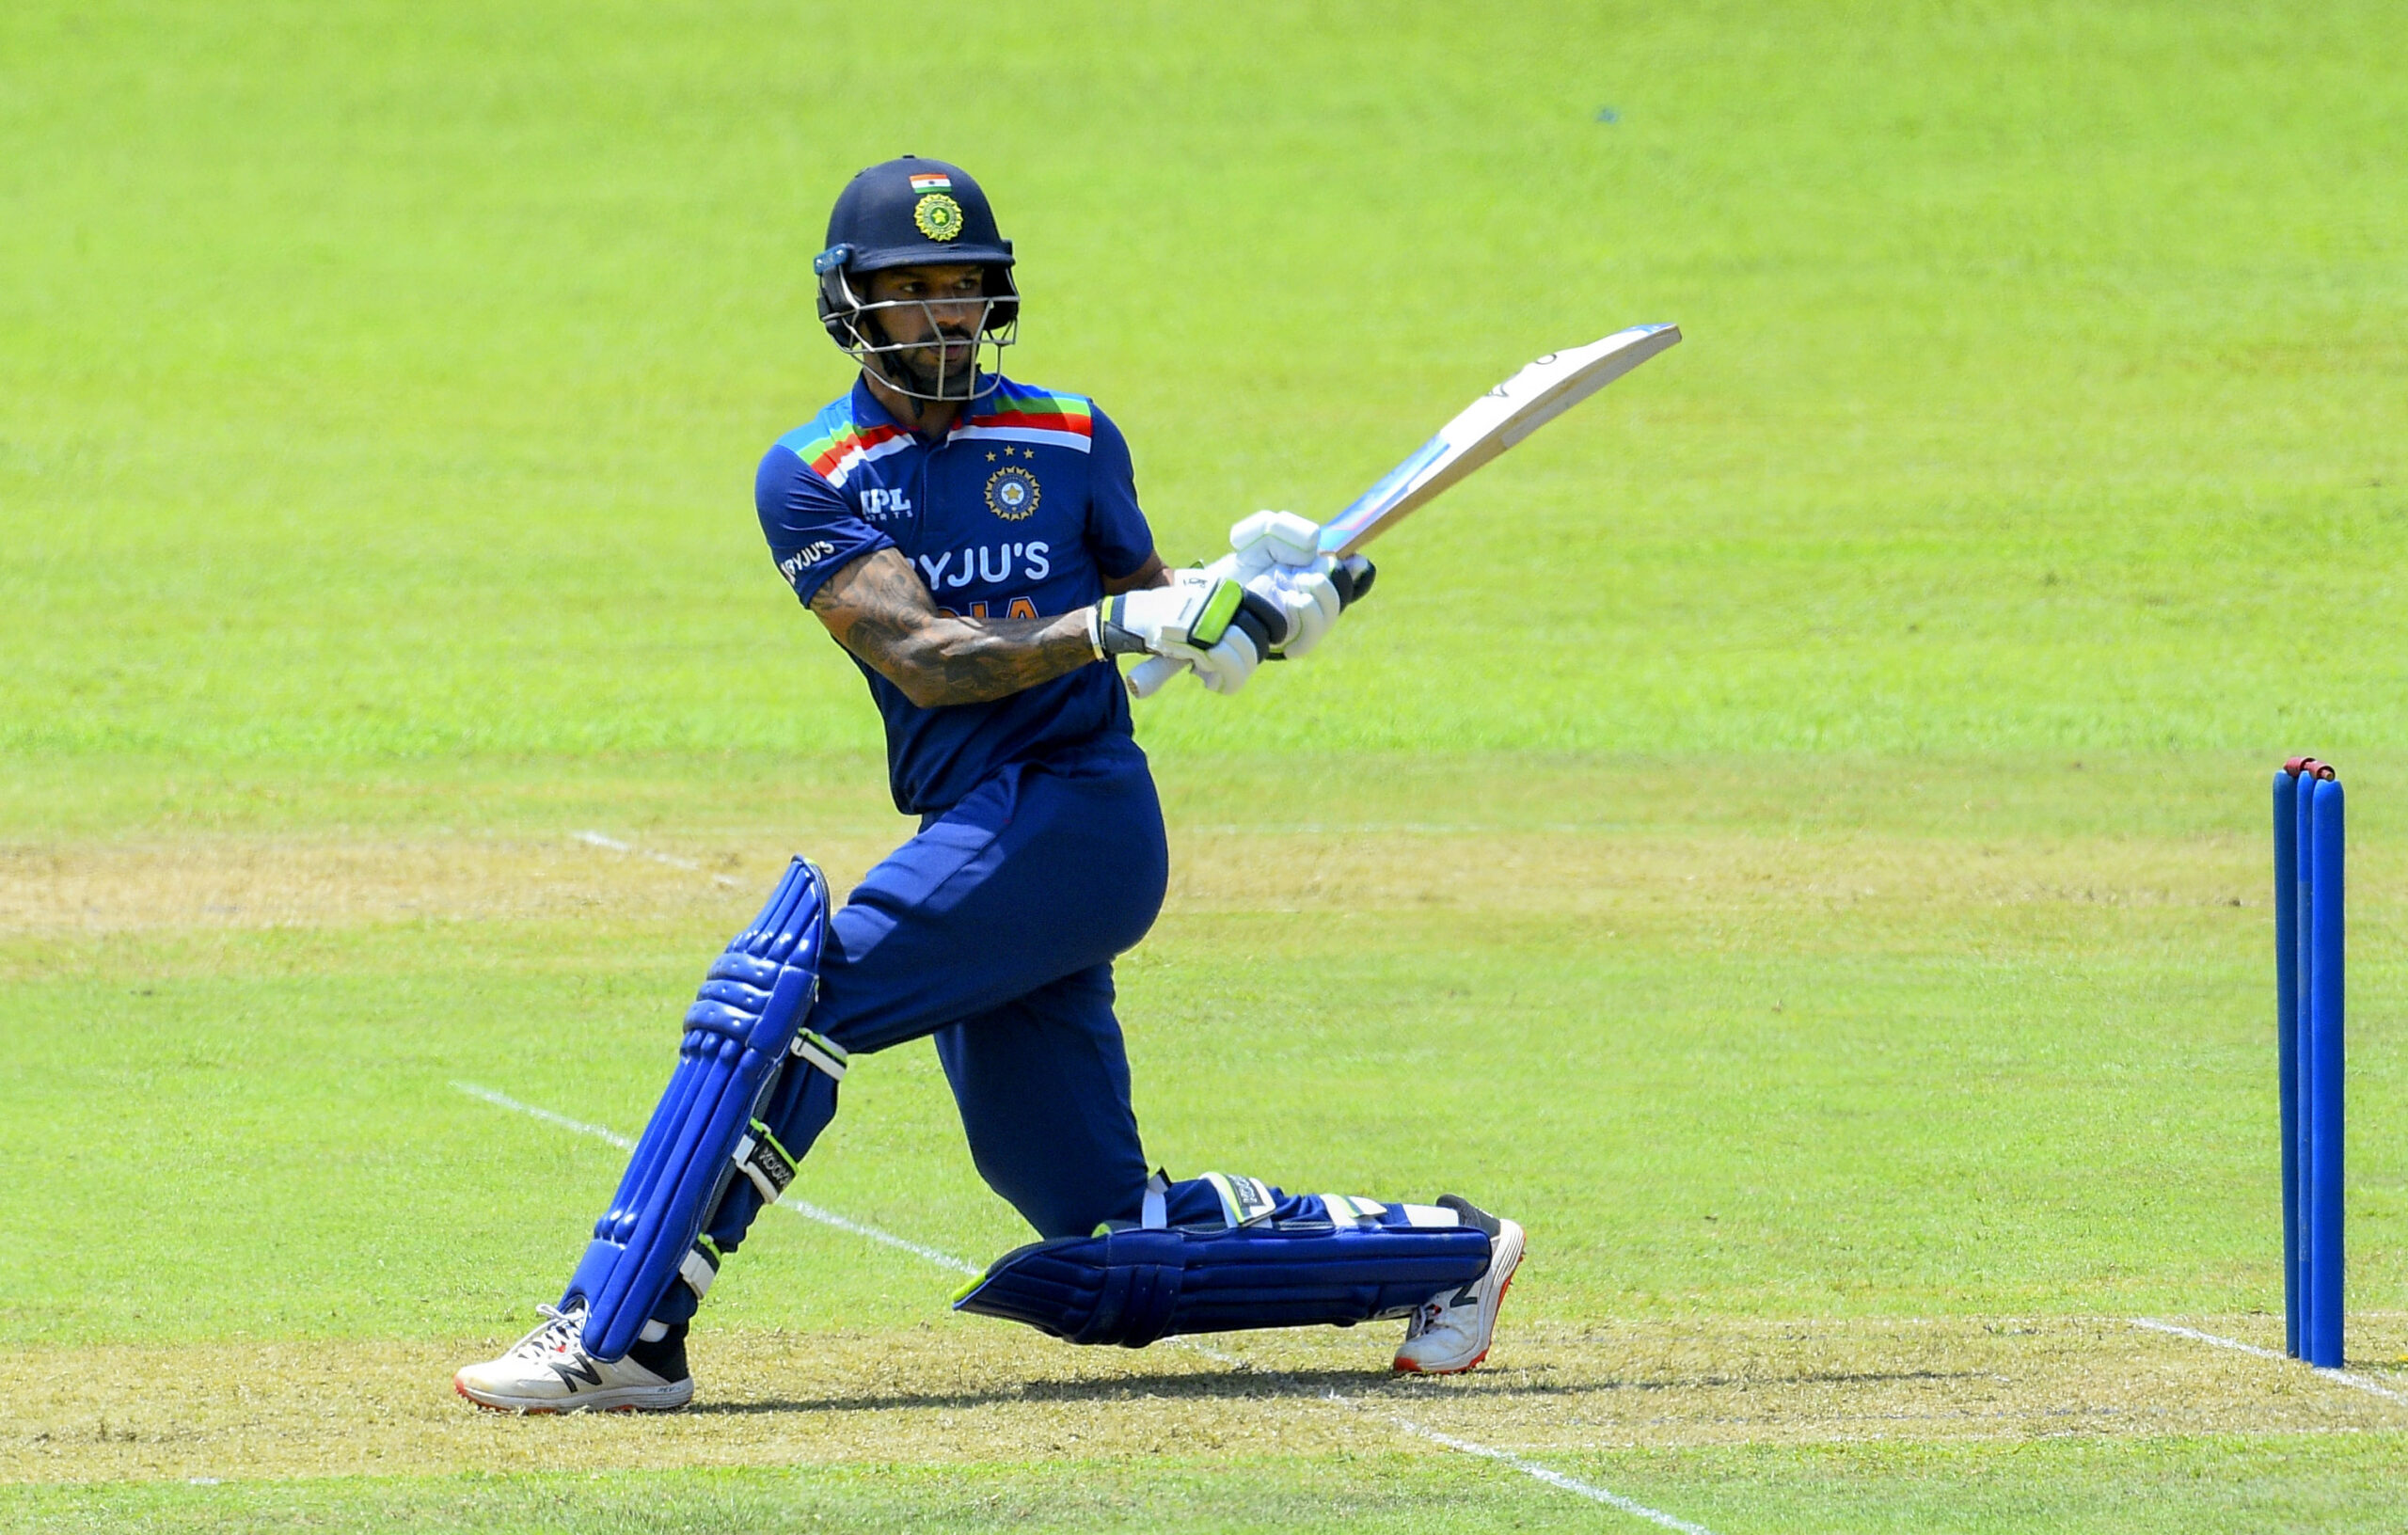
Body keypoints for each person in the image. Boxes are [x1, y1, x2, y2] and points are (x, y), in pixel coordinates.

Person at [453, 157, 1525, 1414]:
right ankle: (1451, 1259)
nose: (946, 315)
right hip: (981, 820)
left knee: (790, 1003)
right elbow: (927, 656)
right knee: (1098, 1226)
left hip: (1075, 813)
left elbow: (1155, 605)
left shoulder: (1072, 432)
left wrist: (1265, 602)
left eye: (967, 289)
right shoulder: (814, 471)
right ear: (852, 308)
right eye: (914, 291)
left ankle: (623, 1331)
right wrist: (1124, 625)